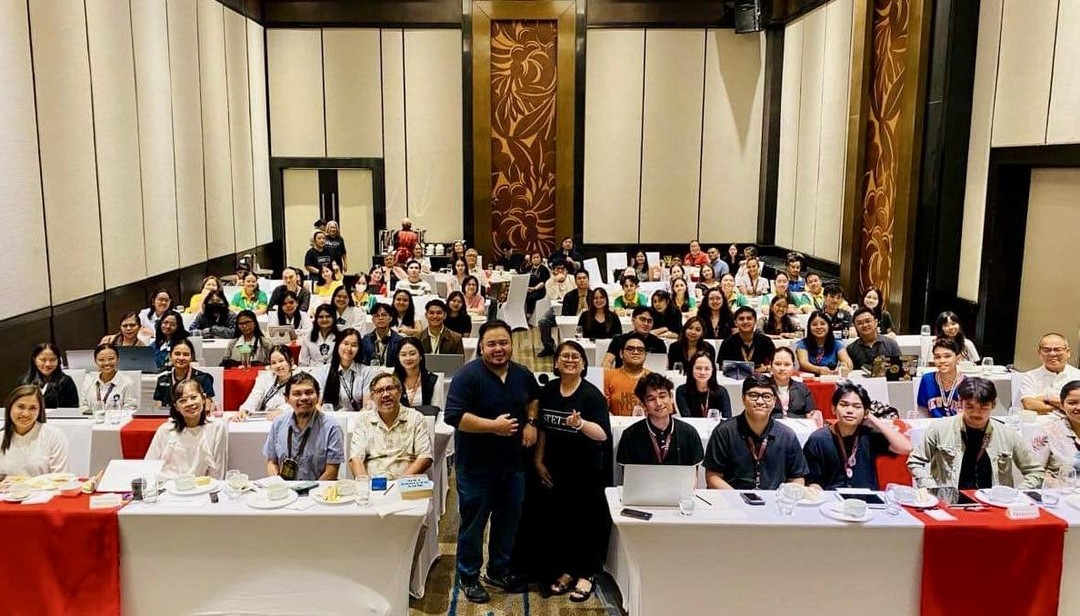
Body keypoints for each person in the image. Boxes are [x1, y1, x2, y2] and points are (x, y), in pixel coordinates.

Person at [444, 320, 541, 603]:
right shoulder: (468, 376)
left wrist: (531, 422)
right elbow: (455, 417)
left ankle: (498, 570)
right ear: (481, 347)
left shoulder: (522, 374)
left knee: (507, 521)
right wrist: (492, 426)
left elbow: (534, 397)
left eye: (503, 343)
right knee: (473, 525)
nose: (498, 349)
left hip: (513, 465)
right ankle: (468, 575)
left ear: (512, 344)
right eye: (492, 344)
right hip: (476, 467)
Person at [531, 340, 611, 602]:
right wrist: (539, 459)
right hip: (555, 467)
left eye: (576, 356)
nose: (570, 360)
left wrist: (581, 424)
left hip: (585, 470)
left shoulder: (592, 395)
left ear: (584, 364)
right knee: (561, 522)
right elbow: (542, 427)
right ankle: (567, 570)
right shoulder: (549, 391)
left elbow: (601, 435)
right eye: (564, 356)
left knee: (585, 524)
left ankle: (586, 574)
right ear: (555, 363)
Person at [908, 377, 1044, 489]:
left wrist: (1019, 492)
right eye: (969, 406)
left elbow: (1035, 471)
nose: (976, 413)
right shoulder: (939, 429)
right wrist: (931, 487)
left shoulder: (1008, 434)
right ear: (960, 403)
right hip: (950, 503)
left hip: (995, 505)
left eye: (984, 407)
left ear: (993, 405)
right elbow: (915, 461)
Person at [704, 375, 810, 489]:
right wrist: (738, 500)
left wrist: (784, 497)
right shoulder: (724, 432)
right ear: (743, 399)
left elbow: (797, 478)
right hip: (732, 500)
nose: (760, 401)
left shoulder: (787, 436)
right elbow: (712, 477)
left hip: (774, 501)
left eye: (766, 396)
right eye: (753, 395)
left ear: (774, 401)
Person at [803, 383, 912, 490]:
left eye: (857, 406)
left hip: (867, 501)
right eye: (844, 405)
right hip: (832, 502)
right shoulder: (818, 439)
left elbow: (906, 448)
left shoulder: (869, 436)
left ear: (865, 412)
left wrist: (873, 419)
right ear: (833, 409)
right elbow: (812, 481)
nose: (850, 411)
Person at [348, 372, 433, 480]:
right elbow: (355, 458)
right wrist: (364, 485)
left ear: (399, 391)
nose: (385, 394)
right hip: (373, 485)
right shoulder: (364, 421)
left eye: (390, 388)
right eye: (379, 391)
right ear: (373, 396)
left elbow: (424, 457)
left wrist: (400, 482)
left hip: (406, 484)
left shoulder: (415, 418)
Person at [263, 372, 344, 481]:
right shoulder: (278, 423)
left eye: (309, 392)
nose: (304, 398)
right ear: (286, 399)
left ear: (318, 396)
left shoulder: (332, 427)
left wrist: (309, 493)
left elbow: (331, 472)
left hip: (317, 493)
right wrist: (279, 485)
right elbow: (271, 462)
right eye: (297, 394)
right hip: (286, 492)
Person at [615, 372, 705, 465]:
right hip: (643, 480)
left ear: (671, 397)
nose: (658, 403)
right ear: (644, 404)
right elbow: (627, 475)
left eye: (662, 396)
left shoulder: (689, 433)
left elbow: (693, 474)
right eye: (651, 399)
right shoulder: (630, 435)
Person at [145, 379, 227, 480]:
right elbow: (149, 466)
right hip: (167, 486)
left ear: (203, 398)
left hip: (200, 488)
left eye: (193, 397)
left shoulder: (216, 427)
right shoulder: (165, 430)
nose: (189, 403)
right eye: (182, 400)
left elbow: (217, 470)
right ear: (176, 407)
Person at [0, 385, 69, 476]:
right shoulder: (1, 436)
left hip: (45, 490)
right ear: (10, 407)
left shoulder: (54, 436)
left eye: (32, 408)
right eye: (21, 407)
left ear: (39, 411)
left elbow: (60, 478)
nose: (25, 413)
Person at [319, 328, 378, 411]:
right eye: (345, 344)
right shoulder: (323, 371)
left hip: (357, 419)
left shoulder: (366, 372)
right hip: (330, 419)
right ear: (338, 345)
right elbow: (317, 404)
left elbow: (367, 405)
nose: (349, 348)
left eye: (354, 345)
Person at [1019, 333, 1080, 413]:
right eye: (1046, 350)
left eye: (1058, 349)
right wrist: (1064, 406)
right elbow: (1029, 405)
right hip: (1038, 423)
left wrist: (1044, 399)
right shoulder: (1030, 376)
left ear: (1068, 352)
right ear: (1039, 353)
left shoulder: (1077, 375)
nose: (1052, 354)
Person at [538, 269, 590, 357]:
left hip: (589, 323)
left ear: (588, 280)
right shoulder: (569, 296)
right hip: (572, 323)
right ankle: (550, 347)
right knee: (543, 321)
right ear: (576, 281)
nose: (582, 281)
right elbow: (565, 315)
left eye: (584, 278)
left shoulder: (594, 296)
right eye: (579, 279)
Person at [153, 339, 215, 410]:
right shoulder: (162, 380)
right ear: (170, 356)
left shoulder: (203, 379)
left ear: (191, 357)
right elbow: (158, 409)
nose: (181, 358)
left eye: (186, 354)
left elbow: (207, 409)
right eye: (177, 354)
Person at [238, 345, 295, 420]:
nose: (278, 365)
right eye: (273, 363)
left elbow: (300, 403)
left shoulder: (300, 380)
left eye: (281, 361)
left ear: (291, 361)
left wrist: (282, 410)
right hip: (264, 420)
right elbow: (254, 398)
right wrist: (245, 410)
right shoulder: (265, 378)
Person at [79, 344, 138, 413]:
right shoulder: (88, 380)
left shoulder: (127, 383)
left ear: (118, 359)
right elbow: (83, 406)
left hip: (118, 421)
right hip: (93, 421)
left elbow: (130, 410)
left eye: (111, 359)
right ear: (95, 361)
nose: (106, 363)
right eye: (101, 360)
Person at [18, 343, 79, 409]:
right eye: (43, 360)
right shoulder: (24, 381)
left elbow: (73, 409)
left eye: (53, 360)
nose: (48, 364)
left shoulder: (66, 382)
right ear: (34, 361)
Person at [604, 334, 651, 416]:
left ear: (645, 355)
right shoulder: (608, 376)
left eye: (640, 350)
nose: (635, 352)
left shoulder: (653, 378)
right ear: (621, 354)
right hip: (617, 425)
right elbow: (602, 409)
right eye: (630, 349)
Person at [917, 338, 965, 418]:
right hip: (934, 427)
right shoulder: (927, 380)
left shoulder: (967, 383)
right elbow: (922, 409)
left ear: (958, 358)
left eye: (947, 356)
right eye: (938, 357)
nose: (942, 360)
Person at [675, 352, 732, 418]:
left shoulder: (721, 391)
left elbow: (727, 418)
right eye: (698, 368)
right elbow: (686, 418)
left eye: (707, 369)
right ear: (691, 369)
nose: (702, 372)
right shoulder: (682, 391)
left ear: (712, 370)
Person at [795, 311, 853, 376]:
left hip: (830, 379)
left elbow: (848, 363)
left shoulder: (837, 344)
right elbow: (803, 363)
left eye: (822, 324)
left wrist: (845, 369)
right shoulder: (803, 344)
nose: (819, 327)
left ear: (829, 326)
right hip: (807, 380)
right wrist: (819, 370)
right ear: (809, 327)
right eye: (814, 324)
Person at [718, 306, 776, 372]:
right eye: (741, 319)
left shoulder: (766, 341)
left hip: (760, 379)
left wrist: (765, 368)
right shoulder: (727, 343)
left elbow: (776, 363)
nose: (745, 321)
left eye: (749, 318)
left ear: (755, 321)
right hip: (734, 380)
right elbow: (722, 367)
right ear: (735, 322)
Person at [769, 347, 819, 420]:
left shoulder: (803, 389)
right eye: (778, 364)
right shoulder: (763, 387)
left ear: (794, 366)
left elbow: (810, 414)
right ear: (771, 365)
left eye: (787, 364)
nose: (782, 368)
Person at [846, 307, 901, 371]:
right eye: (860, 323)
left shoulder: (891, 344)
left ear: (876, 322)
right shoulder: (851, 349)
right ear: (855, 326)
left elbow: (899, 369)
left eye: (868, 321)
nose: (864, 325)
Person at [393, 338, 439, 406]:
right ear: (398, 357)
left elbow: (437, 409)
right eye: (403, 355)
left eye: (412, 354)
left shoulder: (432, 380)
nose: (408, 358)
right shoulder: (392, 380)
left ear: (420, 356)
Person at [361, 303, 404, 367]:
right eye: (376, 316)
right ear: (372, 320)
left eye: (384, 315)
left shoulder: (400, 340)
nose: (380, 318)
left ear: (390, 318)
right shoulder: (366, 340)